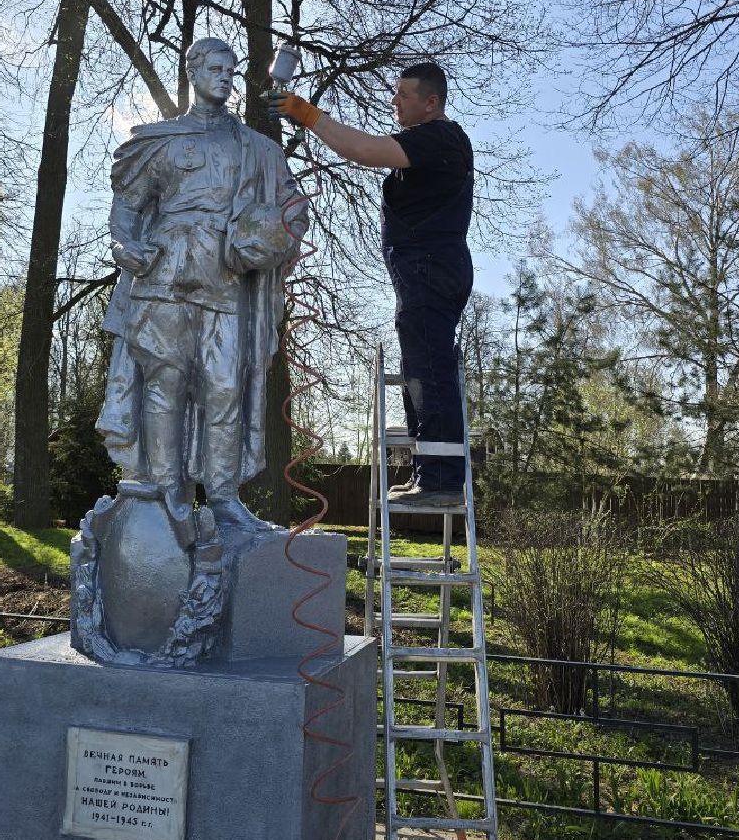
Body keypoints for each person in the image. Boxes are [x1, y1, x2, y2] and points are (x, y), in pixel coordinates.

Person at [96, 37, 305, 537]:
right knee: (164, 386)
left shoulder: (258, 149)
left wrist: (273, 236)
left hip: (226, 280)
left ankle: (224, 497)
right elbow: (127, 207)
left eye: (232, 71)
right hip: (164, 277)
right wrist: (124, 246)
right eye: (215, 68)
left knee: (225, 388)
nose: (226, 78)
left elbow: (292, 208)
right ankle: (168, 495)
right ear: (192, 71)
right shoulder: (161, 141)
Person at [270, 62, 472, 508]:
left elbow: (363, 149)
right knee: (421, 370)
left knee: (429, 372)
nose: (394, 100)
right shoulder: (428, 147)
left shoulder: (441, 138)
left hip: (431, 269)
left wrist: (307, 114)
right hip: (425, 272)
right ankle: (429, 473)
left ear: (430, 102)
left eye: (403, 94)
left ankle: (440, 481)